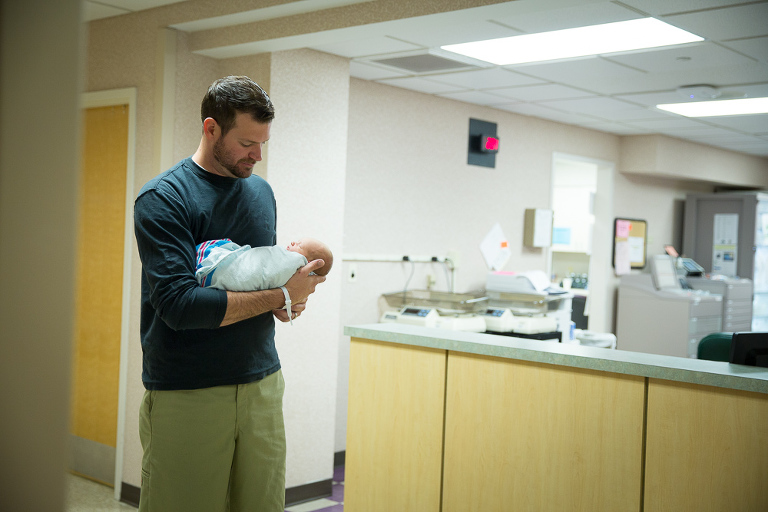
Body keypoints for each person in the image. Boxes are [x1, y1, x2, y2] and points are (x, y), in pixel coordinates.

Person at [133, 75, 326, 512]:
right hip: (189, 390)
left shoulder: (260, 192)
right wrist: (281, 296)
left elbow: (261, 281)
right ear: (211, 128)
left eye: (263, 143)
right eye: (246, 143)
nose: (257, 155)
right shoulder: (164, 198)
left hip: (262, 382)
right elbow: (181, 307)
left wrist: (294, 296)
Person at [195, 237, 333, 323]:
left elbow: (267, 276)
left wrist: (291, 302)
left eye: (300, 245)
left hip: (262, 353)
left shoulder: (265, 194)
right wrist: (284, 295)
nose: (292, 242)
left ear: (308, 263)